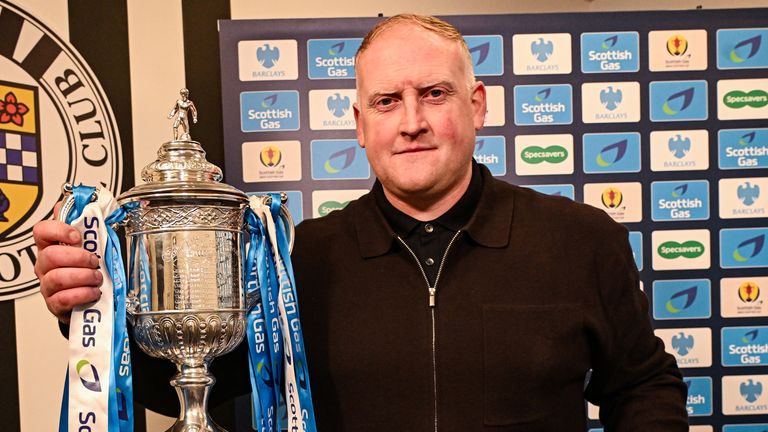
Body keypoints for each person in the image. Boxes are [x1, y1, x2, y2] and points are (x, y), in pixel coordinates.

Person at [34, 14, 688, 431]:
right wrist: (92, 307)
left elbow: (643, 386)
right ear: (359, 123)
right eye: (387, 101)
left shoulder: (580, 240)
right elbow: (188, 385)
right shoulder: (298, 259)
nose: (412, 122)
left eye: (434, 94)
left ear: (477, 105)